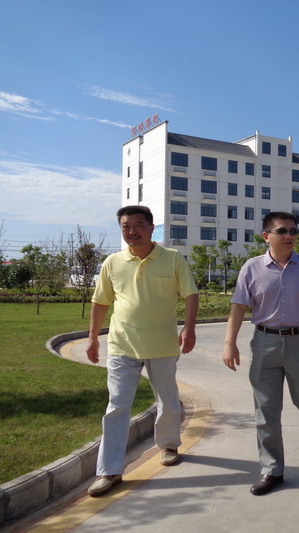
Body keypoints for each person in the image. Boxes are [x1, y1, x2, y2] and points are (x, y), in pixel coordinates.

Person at [86, 205, 199, 497]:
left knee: (168, 400)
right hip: (122, 344)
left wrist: (189, 328)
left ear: (151, 228)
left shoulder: (172, 258)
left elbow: (190, 294)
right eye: (126, 226)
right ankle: (109, 470)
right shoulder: (112, 262)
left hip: (162, 344)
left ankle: (169, 445)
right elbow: (101, 301)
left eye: (138, 225)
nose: (132, 231)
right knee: (117, 406)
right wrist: (93, 337)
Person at [222, 212, 299, 496]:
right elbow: (238, 307)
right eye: (282, 231)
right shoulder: (251, 267)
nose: (289, 236)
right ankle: (272, 469)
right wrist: (229, 342)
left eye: (293, 231)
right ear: (266, 236)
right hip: (264, 344)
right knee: (266, 410)